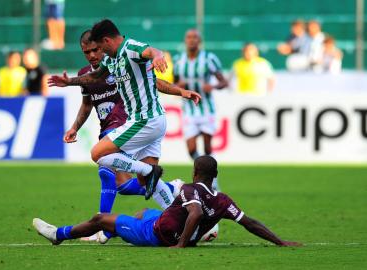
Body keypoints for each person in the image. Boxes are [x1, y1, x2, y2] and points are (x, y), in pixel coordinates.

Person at [48, 19, 201, 202]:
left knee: (98, 153)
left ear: (106, 41)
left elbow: (152, 51)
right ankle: (180, 207)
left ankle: (149, 172)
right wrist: (69, 82)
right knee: (145, 183)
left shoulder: (131, 48)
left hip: (144, 121)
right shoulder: (112, 60)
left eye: (100, 49)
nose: (99, 54)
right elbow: (96, 76)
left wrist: (158, 56)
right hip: (154, 121)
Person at [66, 30, 187, 242]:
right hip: (109, 127)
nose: (93, 55)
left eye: (96, 50)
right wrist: (75, 127)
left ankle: (104, 228)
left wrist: (178, 91)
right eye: (87, 52)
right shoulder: (87, 74)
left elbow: (153, 81)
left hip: (125, 123)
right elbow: (86, 105)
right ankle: (174, 191)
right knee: (124, 185)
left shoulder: (122, 59)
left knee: (104, 167)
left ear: (103, 44)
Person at [33, 155, 301, 248]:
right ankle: (110, 234)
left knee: (100, 218)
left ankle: (59, 234)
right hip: (159, 221)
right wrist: (280, 241)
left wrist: (181, 244)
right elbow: (250, 223)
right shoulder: (222, 200)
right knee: (142, 211)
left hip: (156, 235)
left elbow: (194, 212)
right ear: (215, 176)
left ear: (196, 173)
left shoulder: (188, 191)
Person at [173, 29, 228, 166]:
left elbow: (224, 82)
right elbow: (173, 84)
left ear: (200, 41)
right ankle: (204, 169)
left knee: (207, 148)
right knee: (191, 150)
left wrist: (213, 87)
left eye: (195, 37)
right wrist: (178, 86)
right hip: (189, 110)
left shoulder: (209, 58)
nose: (192, 40)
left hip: (206, 108)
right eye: (189, 37)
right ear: (185, 40)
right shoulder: (178, 60)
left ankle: (212, 180)